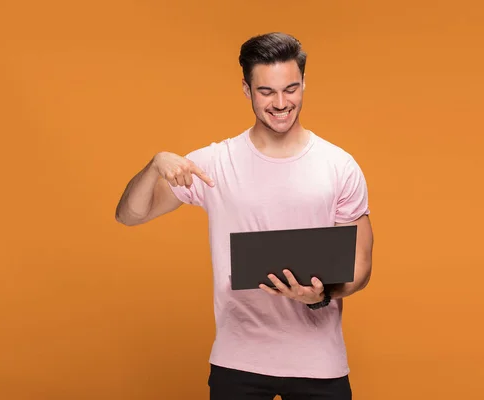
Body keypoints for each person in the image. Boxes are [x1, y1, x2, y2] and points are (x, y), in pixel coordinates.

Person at [115, 32, 374, 400]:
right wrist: (155, 165)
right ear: (246, 89)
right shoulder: (213, 164)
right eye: (267, 91)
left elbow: (361, 266)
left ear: (304, 83)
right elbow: (129, 215)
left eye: (291, 89)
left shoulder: (339, 166)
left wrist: (320, 294)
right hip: (238, 362)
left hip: (319, 363)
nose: (281, 103)